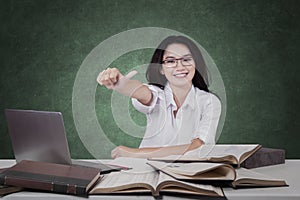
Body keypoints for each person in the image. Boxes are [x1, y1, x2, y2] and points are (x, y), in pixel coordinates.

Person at [97, 36, 221, 159]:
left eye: (186, 59)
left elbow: (199, 147)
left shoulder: (209, 101)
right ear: (161, 68)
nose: (180, 67)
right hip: (145, 168)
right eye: (171, 61)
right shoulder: (156, 94)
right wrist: (121, 84)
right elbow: (142, 93)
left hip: (188, 172)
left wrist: (135, 153)